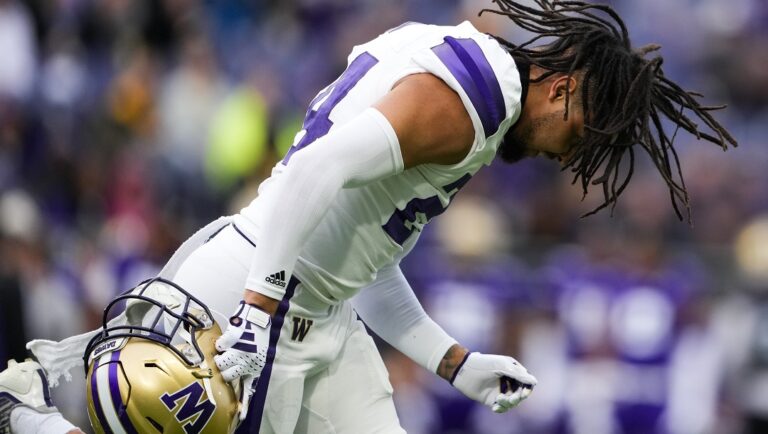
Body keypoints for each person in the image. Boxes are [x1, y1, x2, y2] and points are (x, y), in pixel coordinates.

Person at [0, 1, 736, 433]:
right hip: (255, 296)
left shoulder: (476, 79)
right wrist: (255, 310)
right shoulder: (476, 102)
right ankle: (25, 412)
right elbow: (311, 173)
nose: (564, 156)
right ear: (565, 88)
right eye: (579, 138)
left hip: (316, 311)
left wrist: (454, 362)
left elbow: (360, 257)